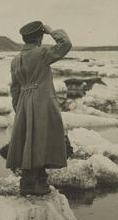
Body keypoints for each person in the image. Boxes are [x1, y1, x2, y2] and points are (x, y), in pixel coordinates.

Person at [6, 21, 72, 196]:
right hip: (42, 101)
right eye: (42, 36)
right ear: (39, 37)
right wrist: (52, 31)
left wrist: (18, 107)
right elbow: (66, 44)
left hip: (24, 102)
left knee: (29, 141)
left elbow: (14, 88)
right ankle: (36, 184)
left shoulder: (15, 60)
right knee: (42, 140)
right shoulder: (41, 53)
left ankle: (31, 183)